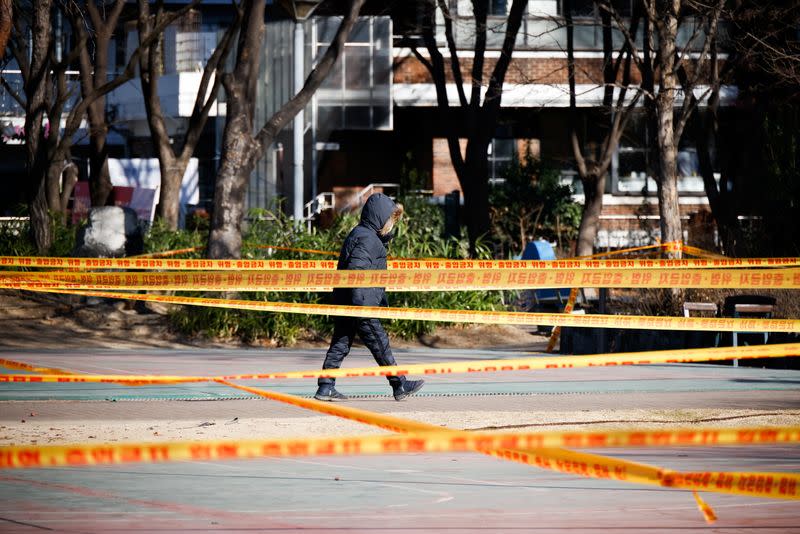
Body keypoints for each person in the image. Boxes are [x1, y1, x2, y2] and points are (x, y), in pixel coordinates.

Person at [314, 193, 425, 402]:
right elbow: (357, 271)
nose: (391, 225)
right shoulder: (368, 239)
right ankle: (399, 384)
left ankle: (326, 386)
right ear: (379, 218)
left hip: (349, 302)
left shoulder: (361, 234)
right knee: (380, 344)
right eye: (390, 221)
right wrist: (362, 306)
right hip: (361, 304)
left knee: (340, 343)